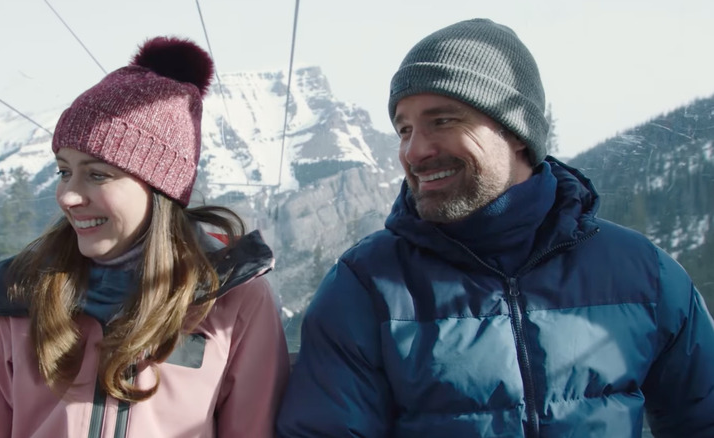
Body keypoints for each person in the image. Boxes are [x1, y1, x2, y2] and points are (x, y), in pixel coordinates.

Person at [276, 18, 714, 438]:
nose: (414, 151)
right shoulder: (366, 286)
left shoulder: (643, 274)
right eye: (404, 129)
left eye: (442, 121)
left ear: (517, 130)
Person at [0, 36, 288, 437]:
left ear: (159, 188)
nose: (68, 196)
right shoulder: (11, 299)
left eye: (97, 174)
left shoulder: (231, 301)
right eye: (63, 171)